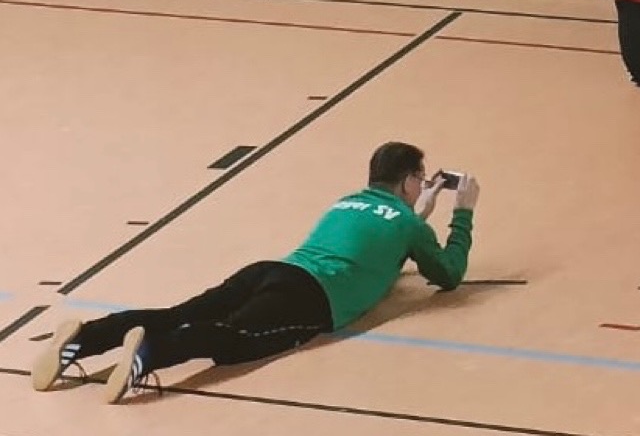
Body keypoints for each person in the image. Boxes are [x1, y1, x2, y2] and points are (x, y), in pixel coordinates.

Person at [31, 143, 476, 402]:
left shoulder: (348, 200)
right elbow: (449, 274)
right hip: (312, 299)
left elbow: (379, 241)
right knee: (236, 338)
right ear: (407, 182)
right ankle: (150, 354)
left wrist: (419, 213)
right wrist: (462, 213)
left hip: (271, 269)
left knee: (178, 310)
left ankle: (85, 337)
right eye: (420, 178)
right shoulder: (409, 225)